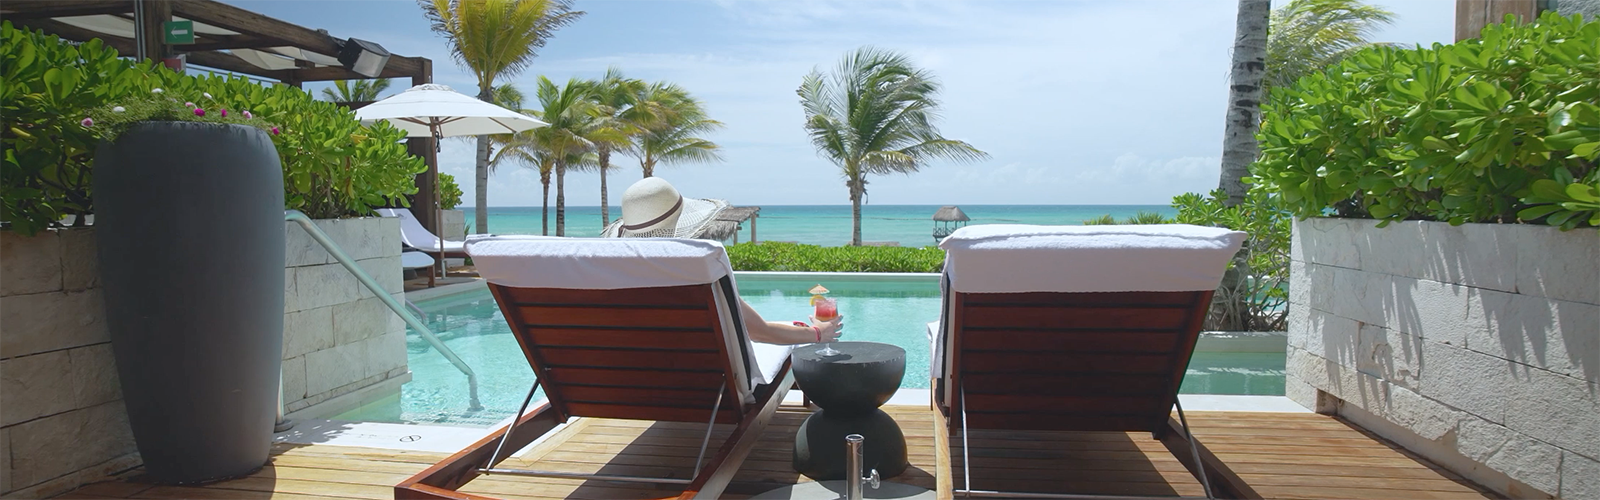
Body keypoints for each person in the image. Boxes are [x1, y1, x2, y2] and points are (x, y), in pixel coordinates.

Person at [606, 177, 843, 344]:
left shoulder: (612, 279)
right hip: (708, 390)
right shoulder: (697, 272)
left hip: (633, 387)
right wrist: (817, 333)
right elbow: (760, 332)